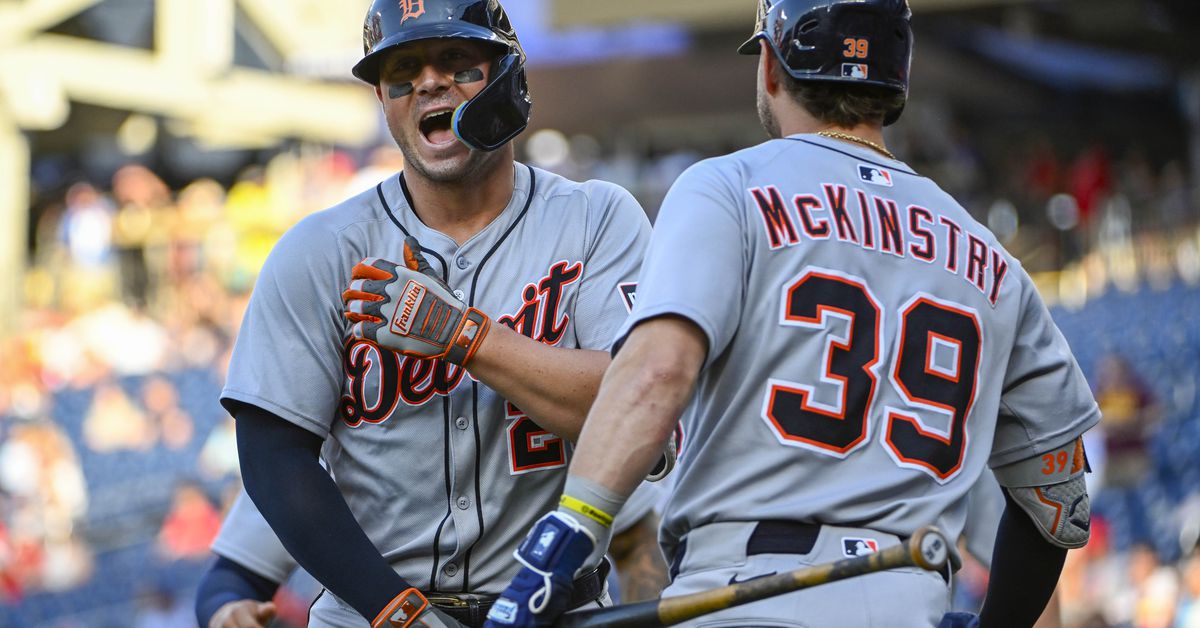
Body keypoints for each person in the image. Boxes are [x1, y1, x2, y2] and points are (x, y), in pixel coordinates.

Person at [484, 1, 1100, 627]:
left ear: (773, 69)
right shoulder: (991, 258)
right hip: (911, 598)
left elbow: (655, 374)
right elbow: (1058, 501)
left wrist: (555, 553)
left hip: (743, 595)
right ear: (898, 81)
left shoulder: (727, 187)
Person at [222, 0, 653, 626]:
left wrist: (462, 337)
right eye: (403, 69)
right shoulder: (321, 249)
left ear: (507, 77)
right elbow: (272, 456)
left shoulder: (595, 219)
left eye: (456, 59)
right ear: (382, 96)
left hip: (553, 607)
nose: (428, 81)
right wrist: (392, 609)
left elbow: (637, 407)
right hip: (369, 613)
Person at [194, 484, 667, 628]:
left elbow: (636, 539)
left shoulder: (536, 400)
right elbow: (230, 578)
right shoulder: (319, 447)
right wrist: (226, 611)